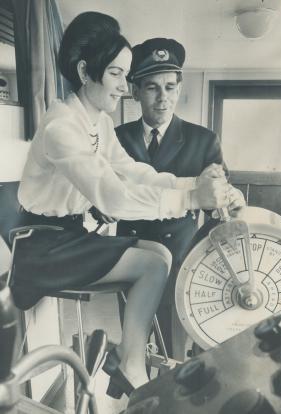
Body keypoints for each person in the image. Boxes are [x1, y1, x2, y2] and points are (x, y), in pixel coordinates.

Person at [13, 12, 241, 398]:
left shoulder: (97, 121)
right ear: (86, 71)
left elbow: (132, 171)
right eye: (117, 74)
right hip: (41, 246)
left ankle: (126, 357)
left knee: (160, 255)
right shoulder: (61, 127)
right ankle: (129, 361)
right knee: (154, 262)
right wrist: (189, 199)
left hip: (68, 235)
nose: (124, 87)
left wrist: (193, 184)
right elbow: (112, 196)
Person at [115, 38, 242, 359]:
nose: (163, 98)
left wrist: (230, 199)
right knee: (135, 342)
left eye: (170, 87)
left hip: (181, 257)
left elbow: (219, 199)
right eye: (152, 88)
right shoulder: (115, 139)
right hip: (129, 253)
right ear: (134, 91)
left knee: (174, 347)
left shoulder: (203, 140)